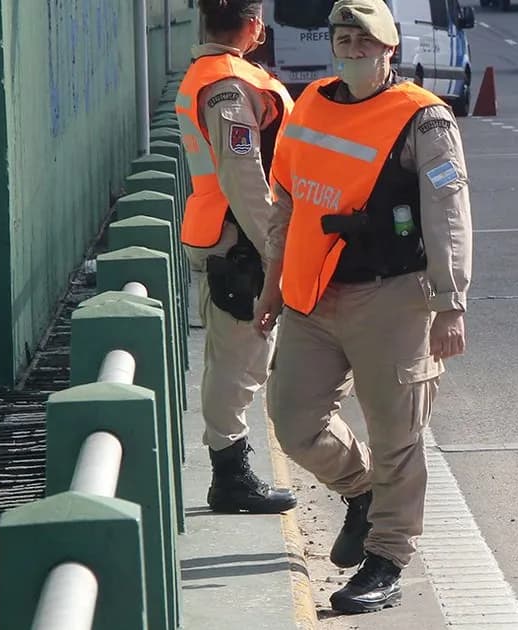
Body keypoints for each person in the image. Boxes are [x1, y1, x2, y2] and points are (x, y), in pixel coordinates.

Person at [254, 0, 473, 615]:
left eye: (364, 39)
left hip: (394, 297)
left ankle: (387, 558)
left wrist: (451, 301)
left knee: (397, 433)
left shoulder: (424, 121)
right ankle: (361, 489)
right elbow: (287, 206)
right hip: (313, 294)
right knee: (292, 417)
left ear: (389, 49)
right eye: (342, 37)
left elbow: (448, 212)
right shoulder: (312, 105)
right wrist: (272, 286)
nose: (352, 47)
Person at [175, 0, 297, 513]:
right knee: (238, 358)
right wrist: (276, 254)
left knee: (238, 355)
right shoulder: (226, 86)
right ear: (254, 25)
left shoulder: (219, 75)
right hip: (240, 240)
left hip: (229, 234)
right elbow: (244, 178)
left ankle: (231, 468)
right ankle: (231, 477)